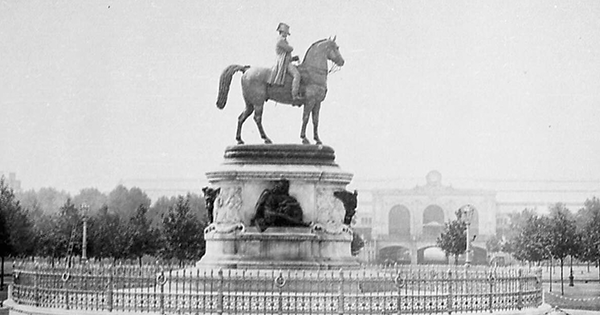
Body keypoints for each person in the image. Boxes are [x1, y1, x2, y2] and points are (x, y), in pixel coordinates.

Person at [267, 22, 301, 99]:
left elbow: (286, 55)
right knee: (297, 75)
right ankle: (294, 94)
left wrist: (293, 58)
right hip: (282, 63)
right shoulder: (280, 41)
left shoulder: (283, 40)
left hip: (285, 61)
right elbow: (290, 49)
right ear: (282, 32)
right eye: (286, 33)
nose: (286, 35)